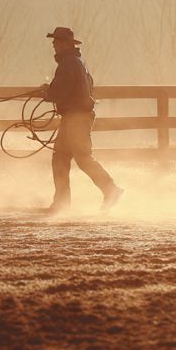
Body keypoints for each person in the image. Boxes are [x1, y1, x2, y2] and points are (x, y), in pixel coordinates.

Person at [39, 27, 123, 214]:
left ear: (65, 44)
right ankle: (62, 202)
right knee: (61, 156)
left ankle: (109, 189)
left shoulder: (67, 64)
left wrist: (46, 93)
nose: (53, 45)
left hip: (76, 117)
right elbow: (85, 86)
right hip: (76, 116)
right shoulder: (78, 62)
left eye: (57, 41)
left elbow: (61, 90)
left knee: (81, 157)